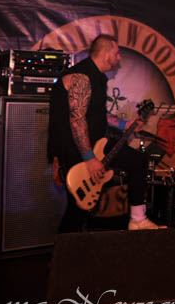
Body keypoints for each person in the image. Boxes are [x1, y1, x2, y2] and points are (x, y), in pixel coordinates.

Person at [48, 34, 163, 232]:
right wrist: (89, 158)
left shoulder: (97, 78)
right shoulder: (82, 78)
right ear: (105, 53)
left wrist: (124, 124)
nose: (119, 57)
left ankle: (137, 219)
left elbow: (97, 114)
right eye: (116, 53)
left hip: (95, 145)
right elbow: (77, 121)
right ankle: (63, 250)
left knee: (137, 161)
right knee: (77, 210)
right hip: (76, 151)